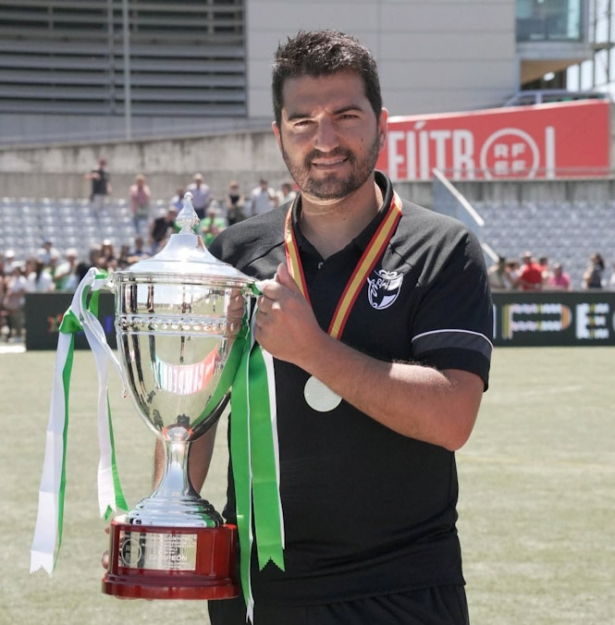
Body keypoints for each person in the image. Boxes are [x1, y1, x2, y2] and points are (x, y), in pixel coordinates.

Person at [173, 30, 493, 625]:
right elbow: (196, 410)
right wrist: (173, 507)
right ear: (279, 134)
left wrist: (315, 350)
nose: (325, 140)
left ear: (381, 123)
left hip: (402, 586)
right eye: (303, 122)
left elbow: (453, 418)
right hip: (255, 587)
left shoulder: (443, 250)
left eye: (346, 115)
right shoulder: (233, 253)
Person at [85, 157, 112, 222]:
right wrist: (93, 176)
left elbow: (107, 181)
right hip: (96, 194)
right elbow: (86, 177)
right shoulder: (95, 171)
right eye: (101, 163)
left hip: (103, 194)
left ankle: (99, 224)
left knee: (102, 211)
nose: (102, 165)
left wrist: (109, 188)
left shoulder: (105, 173)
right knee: (95, 211)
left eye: (103, 164)